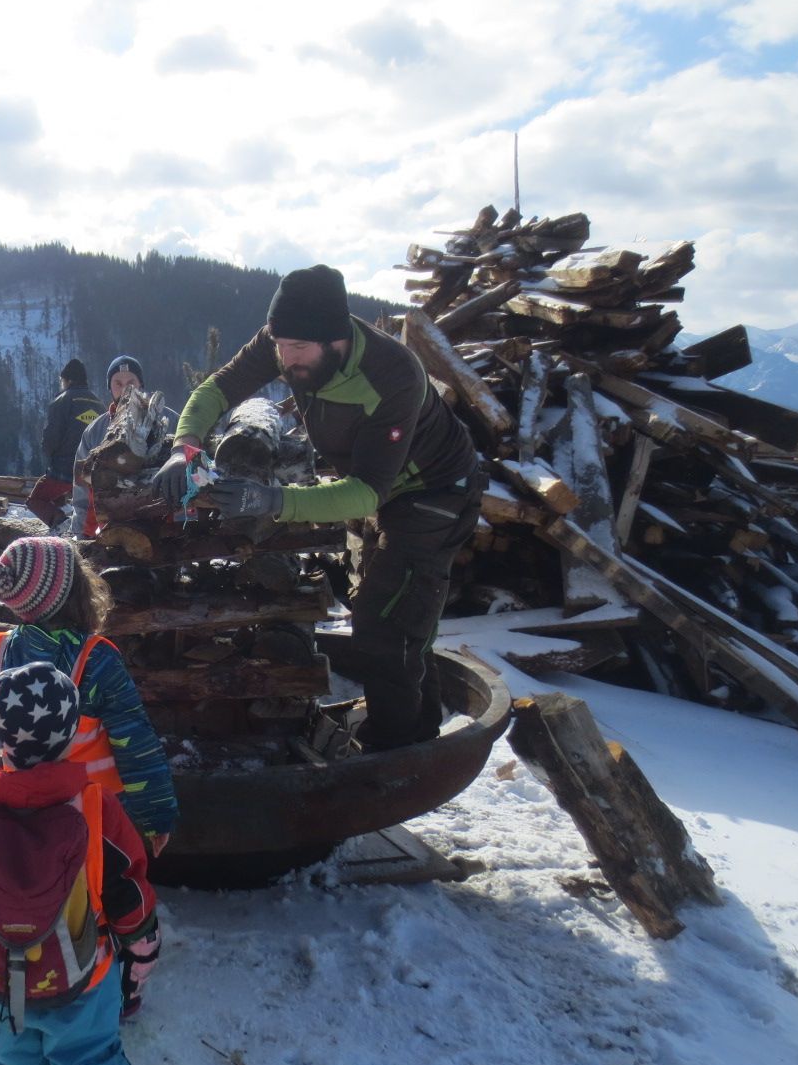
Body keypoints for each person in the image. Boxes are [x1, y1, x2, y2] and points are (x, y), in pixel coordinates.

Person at [152, 264, 484, 751]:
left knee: (385, 626)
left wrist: (272, 500)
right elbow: (218, 388)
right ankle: (420, 726)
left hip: (435, 492)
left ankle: (392, 754)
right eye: (280, 346)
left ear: (337, 339)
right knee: (393, 610)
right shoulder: (286, 340)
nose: (286, 359)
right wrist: (185, 446)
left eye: (298, 349)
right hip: (380, 485)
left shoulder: (393, 375)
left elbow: (367, 492)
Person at [0, 661, 159, 1065]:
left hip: (3, 975)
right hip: (85, 975)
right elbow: (128, 892)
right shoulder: (96, 808)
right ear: (71, 733)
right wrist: (141, 954)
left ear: (1, 737)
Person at [0, 537, 177, 849]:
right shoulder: (96, 659)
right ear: (78, 592)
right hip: (96, 809)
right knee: (93, 873)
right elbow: (133, 739)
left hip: (28, 805)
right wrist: (156, 816)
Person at [70, 354, 179, 539]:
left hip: (165, 525)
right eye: (118, 383)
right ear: (110, 387)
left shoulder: (168, 420)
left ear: (140, 384)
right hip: (111, 528)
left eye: (131, 382)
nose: (125, 389)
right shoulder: (96, 430)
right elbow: (82, 490)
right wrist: (80, 534)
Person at [27, 358, 103, 530]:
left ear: (68, 380)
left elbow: (50, 439)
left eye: (62, 380)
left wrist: (50, 461)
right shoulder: (99, 405)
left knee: (35, 500)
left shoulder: (62, 401)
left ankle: (61, 523)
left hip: (64, 470)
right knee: (71, 500)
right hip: (93, 472)